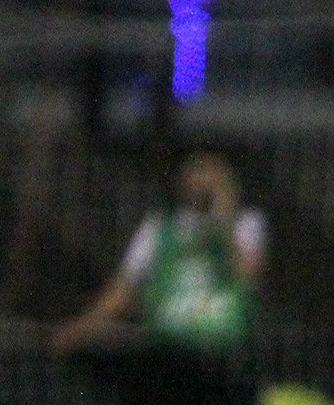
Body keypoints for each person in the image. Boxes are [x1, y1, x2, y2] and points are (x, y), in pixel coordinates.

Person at [54, 147, 266, 352]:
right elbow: (124, 286)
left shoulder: (245, 223)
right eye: (198, 169)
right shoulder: (158, 227)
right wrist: (83, 326)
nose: (205, 180)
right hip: (167, 344)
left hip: (221, 346)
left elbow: (247, 275)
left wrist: (224, 219)